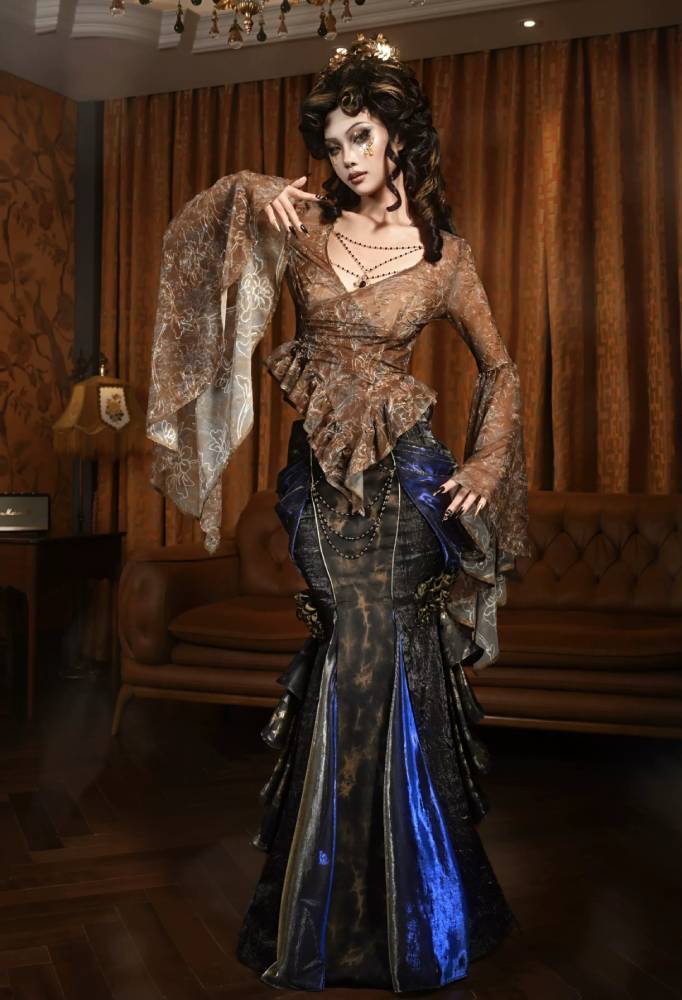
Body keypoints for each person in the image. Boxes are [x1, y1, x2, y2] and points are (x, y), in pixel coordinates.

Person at [146, 31, 531, 994]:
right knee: (348, 649)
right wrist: (247, 188)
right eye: (333, 142)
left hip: (409, 484)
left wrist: (488, 458)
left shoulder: (447, 259)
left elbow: (502, 369)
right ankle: (340, 905)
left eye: (362, 136)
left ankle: (397, 908)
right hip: (317, 488)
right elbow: (195, 245)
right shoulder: (303, 225)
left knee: (384, 655)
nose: (348, 156)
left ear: (397, 137)